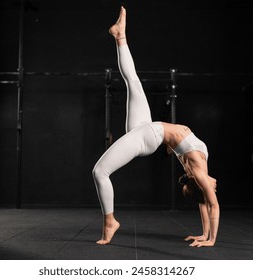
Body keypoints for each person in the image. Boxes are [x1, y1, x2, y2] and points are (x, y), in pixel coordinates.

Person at [92, 6, 219, 247]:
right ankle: (120, 36)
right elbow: (204, 203)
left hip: (150, 135)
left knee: (99, 172)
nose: (216, 187)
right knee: (133, 82)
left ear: (198, 183)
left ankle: (110, 221)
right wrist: (203, 234)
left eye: (210, 188)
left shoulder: (200, 173)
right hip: (147, 129)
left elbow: (212, 204)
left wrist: (212, 240)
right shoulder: (202, 167)